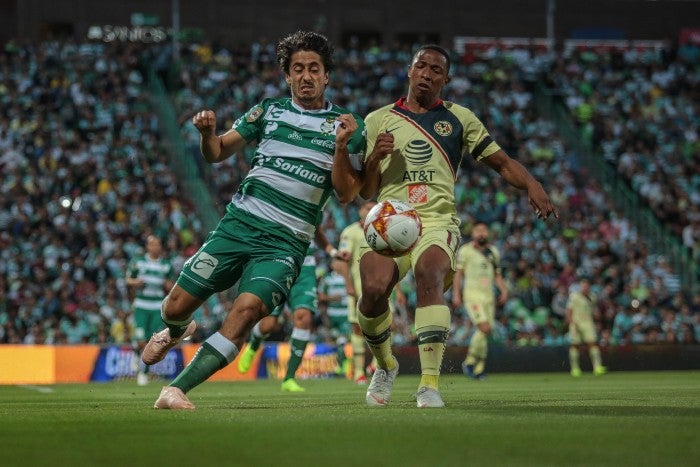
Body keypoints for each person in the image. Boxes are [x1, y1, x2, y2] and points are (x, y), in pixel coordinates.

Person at [141, 30, 366, 409]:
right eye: (298, 69)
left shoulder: (347, 127)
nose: (306, 76)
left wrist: (342, 147)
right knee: (175, 306)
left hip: (285, 244)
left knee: (245, 312)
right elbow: (216, 153)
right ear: (287, 76)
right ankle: (177, 330)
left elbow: (346, 193)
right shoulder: (269, 111)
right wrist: (207, 133)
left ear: (327, 76)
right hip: (237, 227)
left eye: (314, 69)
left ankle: (175, 389)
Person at [332, 44, 557, 408]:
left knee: (429, 272)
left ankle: (429, 384)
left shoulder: (459, 118)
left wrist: (531, 182)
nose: (427, 74)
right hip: (390, 219)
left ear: (446, 79)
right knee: (372, 290)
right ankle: (386, 365)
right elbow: (365, 191)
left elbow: (500, 163)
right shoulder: (377, 120)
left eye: (436, 70)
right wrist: (374, 157)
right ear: (409, 70)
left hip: (437, 220)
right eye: (421, 66)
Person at [236, 229, 349, 392]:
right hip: (277, 260)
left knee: (304, 318)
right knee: (268, 324)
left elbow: (315, 227)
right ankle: (254, 343)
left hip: (305, 265)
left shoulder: (313, 204)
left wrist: (332, 251)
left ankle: (289, 378)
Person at [451, 222, 508, 380]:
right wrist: (456, 294)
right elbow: (458, 274)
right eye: (478, 231)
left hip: (489, 297)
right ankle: (469, 362)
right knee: (483, 327)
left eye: (484, 230)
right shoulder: (466, 251)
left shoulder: (493, 252)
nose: (481, 233)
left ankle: (478, 368)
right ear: (473, 233)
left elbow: (497, 275)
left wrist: (504, 290)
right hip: (472, 295)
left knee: (486, 330)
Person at [336, 200, 378, 384]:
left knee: (388, 325)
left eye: (374, 208)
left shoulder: (384, 230)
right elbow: (342, 261)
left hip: (383, 287)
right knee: (358, 328)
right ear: (360, 210)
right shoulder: (350, 232)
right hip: (360, 288)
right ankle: (359, 371)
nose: (371, 211)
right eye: (368, 208)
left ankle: (375, 365)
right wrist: (349, 285)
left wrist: (398, 289)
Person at [125, 235, 174, 386]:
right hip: (141, 305)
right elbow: (128, 279)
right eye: (153, 244)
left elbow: (172, 285)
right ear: (147, 246)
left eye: (158, 244)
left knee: (150, 341)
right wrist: (136, 282)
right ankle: (135, 350)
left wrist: (168, 285)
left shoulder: (166, 265)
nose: (156, 247)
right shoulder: (138, 262)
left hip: (157, 306)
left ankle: (143, 373)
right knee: (140, 340)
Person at [566, 277, 607, 377]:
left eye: (587, 286)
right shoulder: (574, 296)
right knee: (575, 344)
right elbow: (569, 310)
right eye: (583, 286)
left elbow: (594, 310)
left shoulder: (592, 297)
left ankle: (597, 367)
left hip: (588, 323)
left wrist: (597, 317)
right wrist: (571, 322)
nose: (585, 287)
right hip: (576, 322)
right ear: (580, 286)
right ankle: (575, 369)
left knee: (593, 343)